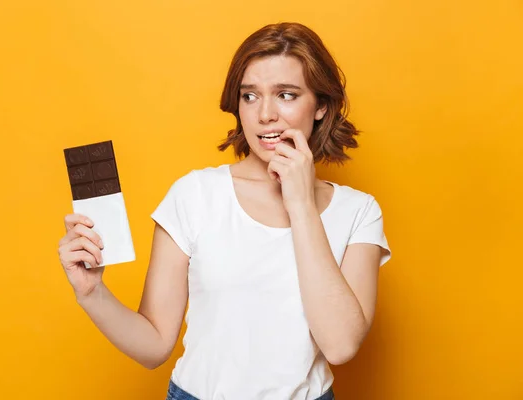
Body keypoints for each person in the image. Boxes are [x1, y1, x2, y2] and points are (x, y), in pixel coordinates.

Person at [57, 22, 392, 400]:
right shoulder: (195, 195)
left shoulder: (359, 212)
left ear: (321, 106)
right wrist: (91, 293)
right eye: (250, 96)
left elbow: (341, 345)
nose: (265, 114)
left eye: (286, 94)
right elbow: (153, 346)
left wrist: (300, 204)